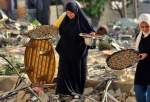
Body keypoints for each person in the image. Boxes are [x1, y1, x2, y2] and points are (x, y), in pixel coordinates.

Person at [52, 1, 95, 98]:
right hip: (66, 51)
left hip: (78, 52)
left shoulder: (83, 20)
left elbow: (91, 33)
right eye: (67, 13)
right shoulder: (64, 20)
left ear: (76, 11)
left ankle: (76, 91)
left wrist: (90, 35)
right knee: (64, 70)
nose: (69, 15)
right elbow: (58, 29)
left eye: (71, 13)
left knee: (76, 71)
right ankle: (63, 91)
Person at [134, 13, 150, 102]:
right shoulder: (139, 37)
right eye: (142, 26)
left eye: (147, 26)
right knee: (139, 95)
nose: (144, 29)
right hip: (141, 70)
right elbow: (137, 51)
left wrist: (147, 55)